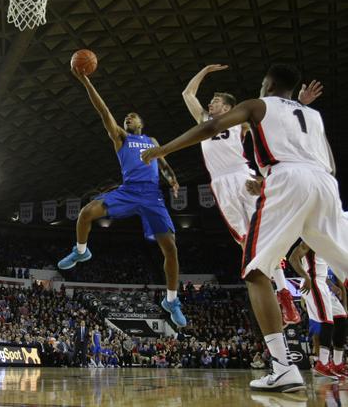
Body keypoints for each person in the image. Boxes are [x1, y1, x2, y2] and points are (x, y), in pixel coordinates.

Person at [142, 64, 348, 392]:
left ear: (267, 85)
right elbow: (327, 162)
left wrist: (163, 150)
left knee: (253, 267)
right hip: (323, 182)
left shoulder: (254, 106)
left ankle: (283, 363)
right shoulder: (312, 116)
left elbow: (218, 129)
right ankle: (284, 295)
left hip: (264, 177)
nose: (211, 105)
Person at [181, 65, 321, 326]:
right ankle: (282, 296)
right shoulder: (203, 121)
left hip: (243, 177)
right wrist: (204, 71)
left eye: (215, 101)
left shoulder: (239, 120)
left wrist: (299, 103)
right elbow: (188, 94)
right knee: (246, 244)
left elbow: (275, 118)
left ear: (227, 107)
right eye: (210, 100)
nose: (210, 103)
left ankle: (285, 297)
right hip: (221, 186)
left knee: (262, 238)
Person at [58, 67, 186, 327]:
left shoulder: (151, 140)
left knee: (170, 248)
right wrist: (85, 81)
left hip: (151, 195)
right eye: (126, 117)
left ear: (141, 123)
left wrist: (172, 180)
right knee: (86, 213)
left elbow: (163, 164)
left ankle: (171, 300)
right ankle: (81, 251)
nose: (128, 118)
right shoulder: (121, 137)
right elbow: (103, 111)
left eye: (133, 116)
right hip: (128, 191)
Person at [289, 241, 348, 379]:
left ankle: (337, 364)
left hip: (322, 283)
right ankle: (322, 363)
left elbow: (320, 268)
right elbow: (293, 258)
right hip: (313, 283)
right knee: (327, 322)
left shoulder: (325, 242)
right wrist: (305, 276)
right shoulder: (310, 239)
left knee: (342, 318)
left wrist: (331, 285)